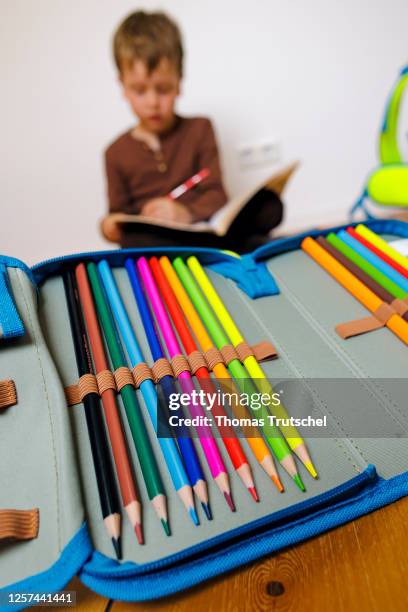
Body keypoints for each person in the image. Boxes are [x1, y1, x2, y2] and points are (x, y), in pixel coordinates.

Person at [102, 10, 283, 250]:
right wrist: (108, 226)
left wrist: (184, 213)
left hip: (203, 229)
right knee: (134, 239)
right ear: (123, 87)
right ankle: (246, 246)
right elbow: (118, 217)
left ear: (179, 82)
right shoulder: (115, 153)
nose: (153, 101)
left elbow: (218, 196)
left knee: (269, 206)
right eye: (140, 90)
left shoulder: (200, 128)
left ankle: (239, 245)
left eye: (163, 89)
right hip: (157, 242)